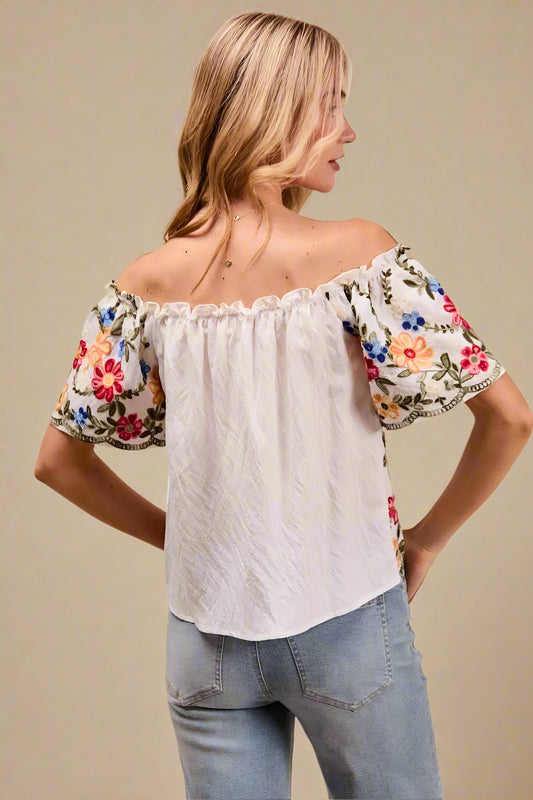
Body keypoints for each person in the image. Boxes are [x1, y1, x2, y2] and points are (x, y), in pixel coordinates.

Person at [34, 10, 532, 800]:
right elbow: (510, 418)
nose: (348, 130)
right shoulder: (359, 256)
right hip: (346, 617)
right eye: (331, 104)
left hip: (204, 639)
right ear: (276, 113)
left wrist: (183, 538)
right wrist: (426, 543)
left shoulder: (143, 284)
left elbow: (57, 462)